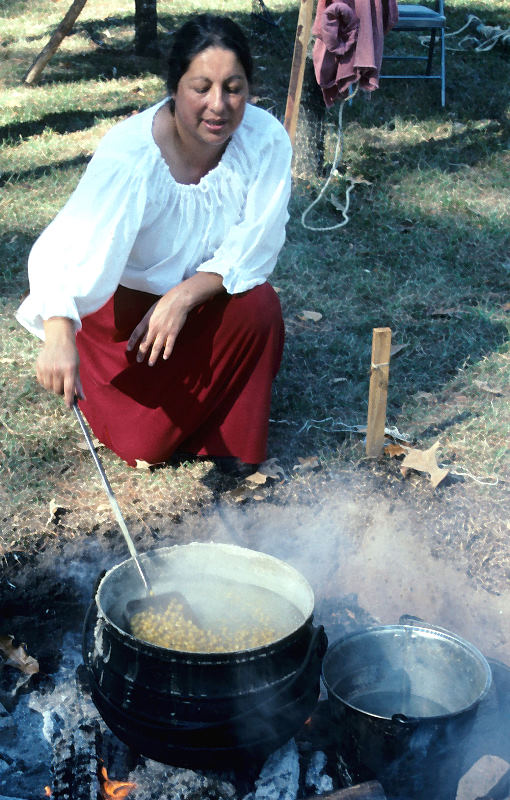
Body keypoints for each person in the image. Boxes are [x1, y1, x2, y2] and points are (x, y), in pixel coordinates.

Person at [16, 14, 292, 473]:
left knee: (259, 307)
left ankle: (226, 438)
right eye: (201, 87)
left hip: (198, 306)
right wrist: (60, 333)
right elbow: (66, 247)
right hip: (127, 327)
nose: (219, 105)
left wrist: (182, 298)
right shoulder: (133, 156)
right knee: (146, 447)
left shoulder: (264, 141)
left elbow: (256, 244)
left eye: (234, 87)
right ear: (174, 86)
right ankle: (154, 410)